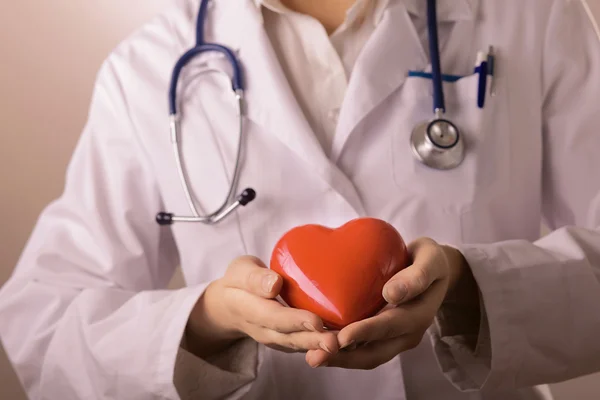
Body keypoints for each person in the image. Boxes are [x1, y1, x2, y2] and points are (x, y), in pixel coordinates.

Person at [1, 0, 600, 399]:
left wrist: (468, 287)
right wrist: (206, 322)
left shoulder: (535, 17)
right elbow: (41, 322)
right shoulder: (149, 65)